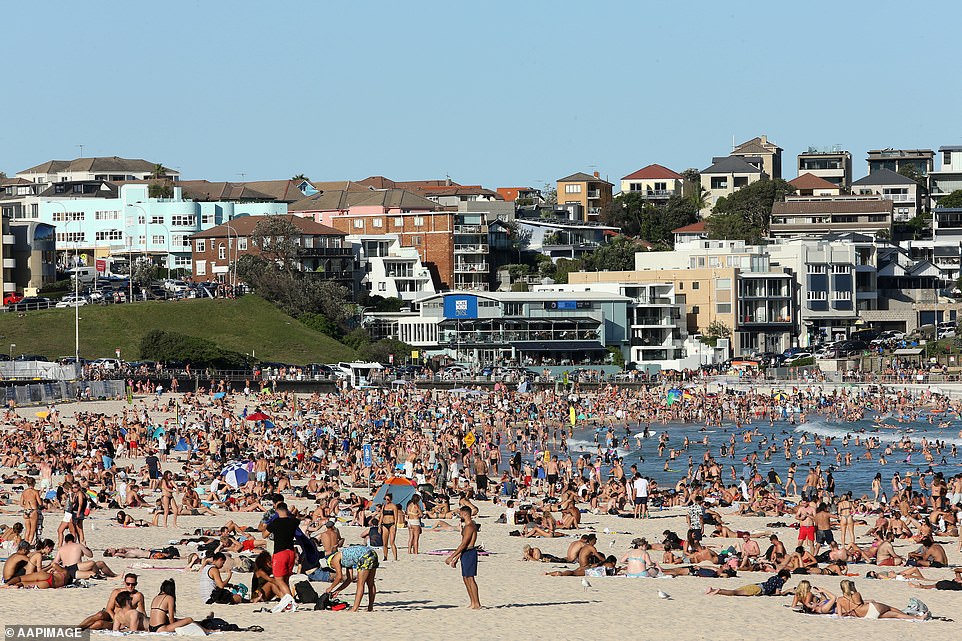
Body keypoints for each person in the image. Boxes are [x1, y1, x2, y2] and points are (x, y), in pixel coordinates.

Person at [836, 579, 929, 619]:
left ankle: (918, 618)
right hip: (872, 608)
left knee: (895, 616)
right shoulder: (856, 594)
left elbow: (840, 616)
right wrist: (855, 590)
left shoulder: (839, 600)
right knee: (891, 609)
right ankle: (918, 616)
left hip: (867, 616)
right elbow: (860, 603)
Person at [79, 573, 145, 630]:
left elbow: (142, 612)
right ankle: (77, 628)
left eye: (133, 584)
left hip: (123, 620)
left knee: (99, 623)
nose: (130, 586)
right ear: (124, 583)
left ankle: (83, 630)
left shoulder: (138, 596)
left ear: (136, 584)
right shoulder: (116, 592)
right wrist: (115, 619)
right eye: (128, 584)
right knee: (100, 614)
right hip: (111, 615)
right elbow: (109, 609)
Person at [446, 506, 481, 609]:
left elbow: (464, 544)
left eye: (460, 514)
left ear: (465, 514)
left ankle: (476, 603)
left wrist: (451, 557)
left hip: (469, 552)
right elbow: (463, 545)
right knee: (465, 578)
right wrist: (457, 558)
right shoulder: (466, 526)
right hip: (465, 553)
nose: (459, 516)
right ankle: (472, 602)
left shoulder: (470, 526)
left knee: (470, 578)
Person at [327, 546, 379, 612]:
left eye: (333, 567)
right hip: (372, 553)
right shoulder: (346, 559)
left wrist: (330, 588)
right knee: (370, 583)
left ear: (331, 563)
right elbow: (349, 579)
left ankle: (355, 608)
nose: (335, 568)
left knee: (360, 584)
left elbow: (339, 577)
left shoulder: (334, 560)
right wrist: (337, 590)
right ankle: (370, 607)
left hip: (365, 556)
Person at [265, 502, 299, 598]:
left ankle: (289, 599)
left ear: (277, 510)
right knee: (286, 578)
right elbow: (296, 518)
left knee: (279, 579)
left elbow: (264, 534)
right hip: (291, 552)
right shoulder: (294, 522)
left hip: (280, 552)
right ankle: (285, 598)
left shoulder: (275, 523)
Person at [706, 569, 791, 596]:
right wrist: (787, 592)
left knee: (735, 590)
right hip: (758, 589)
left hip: (756, 585)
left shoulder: (774, 577)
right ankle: (719, 591)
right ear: (784, 577)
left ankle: (712, 590)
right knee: (735, 593)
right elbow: (777, 593)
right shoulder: (781, 580)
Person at [378, 493, 399, 561]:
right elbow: (381, 516)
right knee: (384, 543)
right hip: (384, 524)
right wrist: (379, 526)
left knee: (392, 542)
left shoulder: (393, 506)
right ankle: (385, 556)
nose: (386, 500)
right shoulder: (384, 506)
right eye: (385, 499)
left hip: (392, 524)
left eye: (388, 499)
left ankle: (395, 557)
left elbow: (396, 517)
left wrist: (395, 526)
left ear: (391, 499)